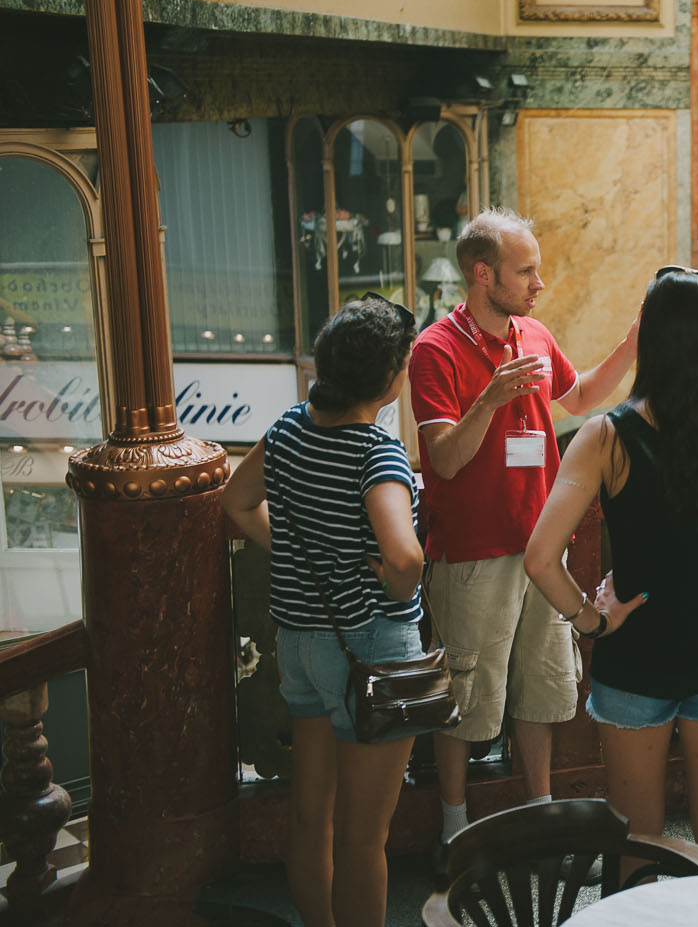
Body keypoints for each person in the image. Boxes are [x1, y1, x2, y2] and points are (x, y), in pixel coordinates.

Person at [524, 265, 698, 872]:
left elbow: (540, 558)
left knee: (637, 843)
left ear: (650, 339)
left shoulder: (606, 437)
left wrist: (592, 620)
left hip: (634, 657)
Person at [408, 206, 638, 857]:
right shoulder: (435, 349)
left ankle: (536, 817)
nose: (539, 283)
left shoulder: (534, 334)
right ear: (484, 275)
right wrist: (490, 399)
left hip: (543, 551)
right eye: (526, 270)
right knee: (464, 696)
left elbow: (581, 397)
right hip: (472, 558)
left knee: (542, 689)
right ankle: (453, 828)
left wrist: (630, 346)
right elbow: (446, 460)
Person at [221, 294, 423, 927]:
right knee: (365, 839)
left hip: (302, 647)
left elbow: (236, 500)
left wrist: (296, 554)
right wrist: (393, 586)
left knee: (313, 818)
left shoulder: (288, 429)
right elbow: (407, 558)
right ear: (389, 378)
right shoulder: (378, 455)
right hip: (371, 648)